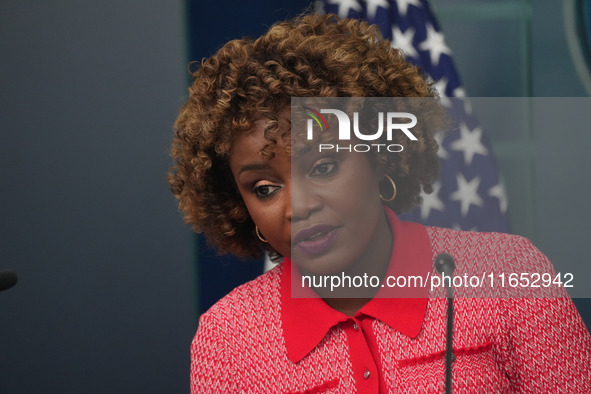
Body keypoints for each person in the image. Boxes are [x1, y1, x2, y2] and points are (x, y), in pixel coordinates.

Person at [169, 13, 591, 393]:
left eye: (324, 166)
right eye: (264, 188)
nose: (297, 207)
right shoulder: (227, 339)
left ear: (380, 157)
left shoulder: (510, 277)